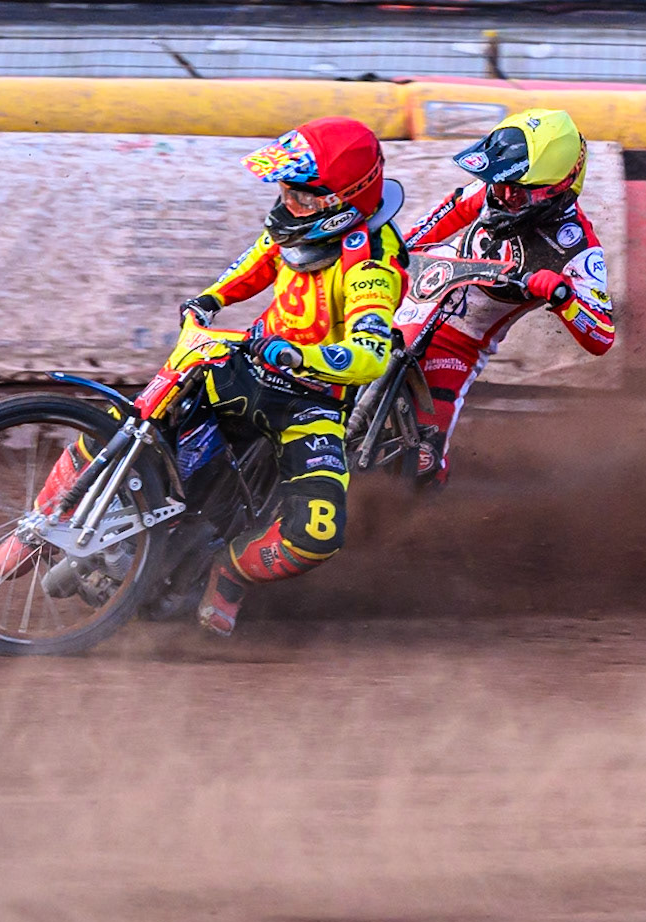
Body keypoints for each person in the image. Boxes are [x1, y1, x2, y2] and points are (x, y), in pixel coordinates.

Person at [177, 116, 409, 636]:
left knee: (317, 534)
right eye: (285, 193)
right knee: (145, 414)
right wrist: (210, 299)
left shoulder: (373, 263)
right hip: (246, 365)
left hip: (311, 402)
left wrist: (300, 358)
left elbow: (370, 356)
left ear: (341, 202)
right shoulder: (294, 227)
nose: (286, 206)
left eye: (300, 197)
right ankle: (46, 515)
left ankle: (230, 572)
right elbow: (260, 259)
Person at [400, 108, 615, 486]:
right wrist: (396, 252)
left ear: (554, 189)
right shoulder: (492, 190)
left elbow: (602, 336)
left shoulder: (576, 247)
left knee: (423, 465)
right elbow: (435, 222)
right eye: (498, 185)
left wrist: (562, 295)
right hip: (410, 296)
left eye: (516, 190)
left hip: (457, 345)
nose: (502, 196)